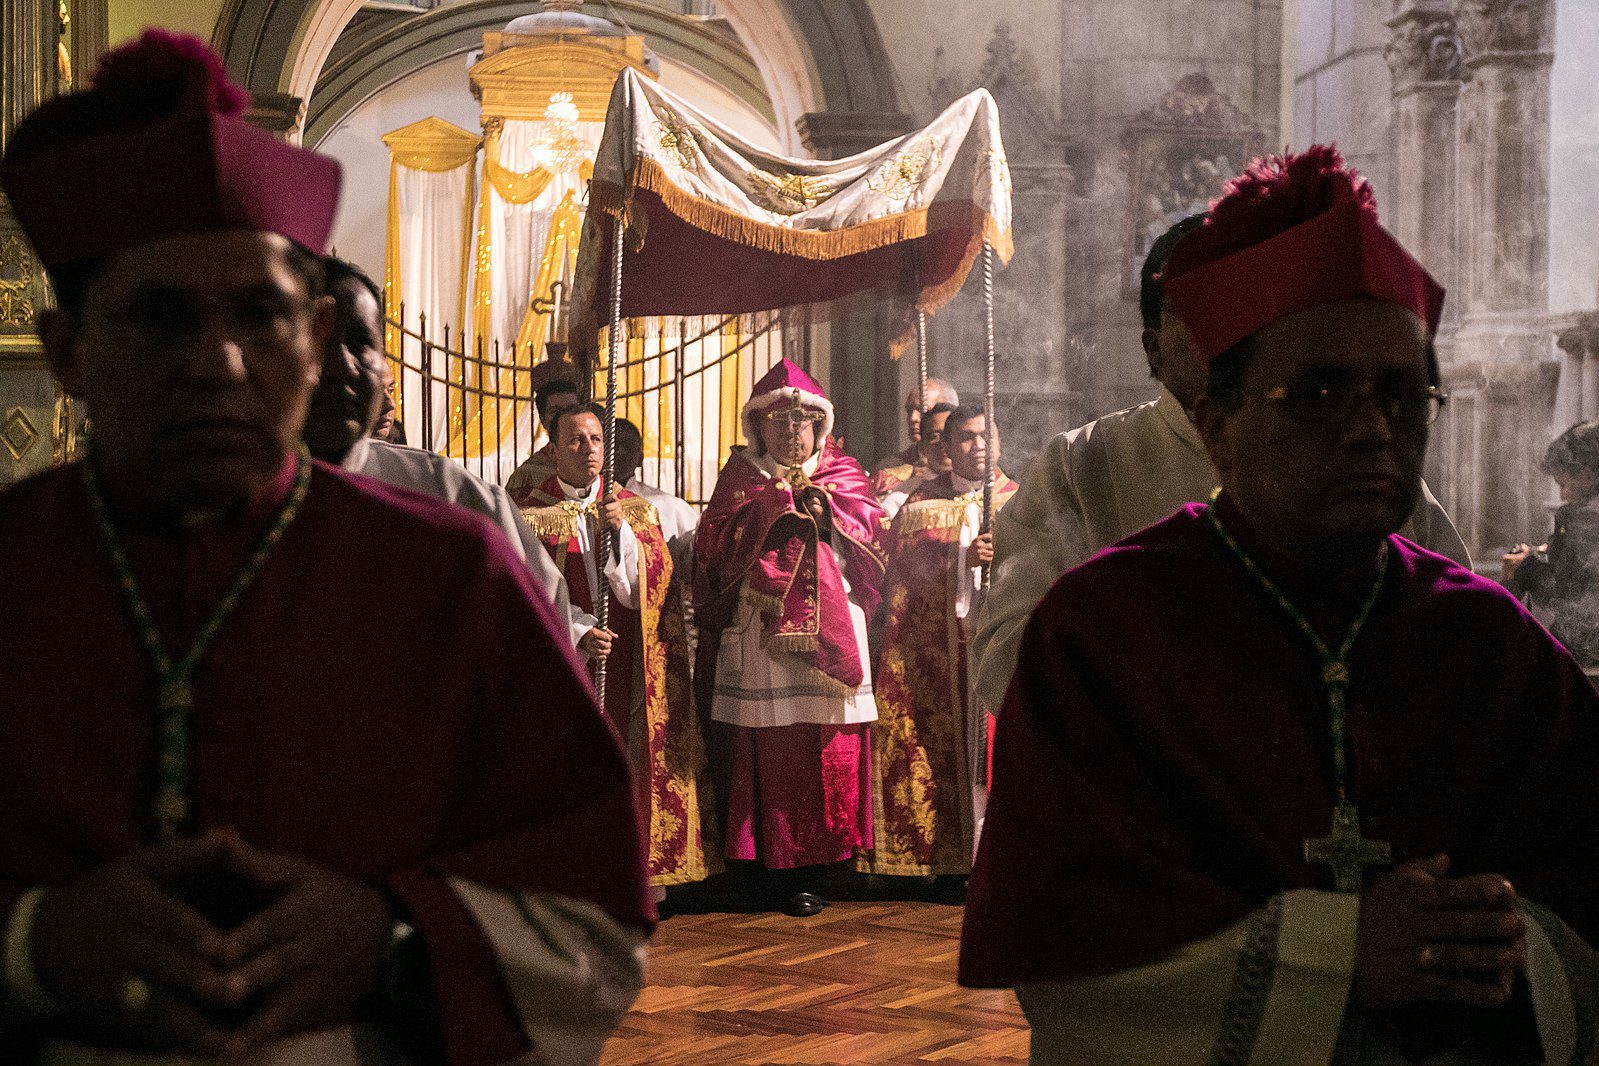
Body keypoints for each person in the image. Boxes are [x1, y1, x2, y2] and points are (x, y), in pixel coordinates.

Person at [0, 32, 650, 1064]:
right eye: (160, 320)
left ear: (311, 340)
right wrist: (34, 943)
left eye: (259, 316)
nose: (217, 364)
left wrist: (394, 938)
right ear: (69, 353)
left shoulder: (452, 577)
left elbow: (596, 926)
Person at [960, 146, 1599, 1063]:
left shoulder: (1487, 638)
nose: (1371, 429)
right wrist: (1336, 956)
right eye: (1319, 391)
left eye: (1400, 394)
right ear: (1217, 426)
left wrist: (1498, 946)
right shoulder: (1101, 635)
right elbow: (1072, 947)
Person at [970, 212, 1473, 714]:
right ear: (1154, 348)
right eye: (1197, 304)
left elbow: (1455, 625)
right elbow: (1005, 659)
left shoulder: (1350, 457)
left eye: (1252, 299)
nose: (1232, 324)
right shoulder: (1082, 466)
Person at [301, 255, 585, 649]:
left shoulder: (456, 497)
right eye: (320, 343)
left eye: (361, 343)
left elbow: (542, 635)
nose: (342, 367)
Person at [693, 359, 885, 917]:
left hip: (834, 629)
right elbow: (712, 551)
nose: (793, 431)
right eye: (780, 422)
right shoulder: (742, 480)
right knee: (770, 747)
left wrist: (829, 521)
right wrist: (772, 510)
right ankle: (765, 865)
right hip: (763, 640)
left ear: (819, 428)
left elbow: (877, 541)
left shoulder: (843, 473)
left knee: (826, 745)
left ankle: (820, 865)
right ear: (759, 429)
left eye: (803, 422)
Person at [519, 403, 713, 890]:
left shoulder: (632, 508)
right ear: (554, 447)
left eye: (594, 440)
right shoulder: (527, 509)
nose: (588, 450)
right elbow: (523, 583)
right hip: (561, 657)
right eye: (575, 441)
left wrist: (619, 532)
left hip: (626, 660)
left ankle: (630, 872)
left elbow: (650, 585)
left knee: (623, 756)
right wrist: (580, 629)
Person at [861, 404, 1017, 885]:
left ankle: (995, 861)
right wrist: (963, 558)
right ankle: (947, 862)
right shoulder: (919, 505)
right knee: (936, 754)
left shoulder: (1019, 500)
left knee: (996, 757)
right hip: (934, 658)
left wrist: (1000, 555)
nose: (978, 446)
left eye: (985, 435)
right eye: (966, 438)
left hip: (995, 648)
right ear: (946, 449)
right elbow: (899, 581)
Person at [1504, 420, 1599, 667]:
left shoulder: (1583, 517)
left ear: (1588, 476)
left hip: (1586, 648)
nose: (1562, 495)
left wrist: (1524, 567)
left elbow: (1560, 590)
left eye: (1563, 485)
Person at [614, 417, 698, 571]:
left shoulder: (671, 507)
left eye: (627, 445)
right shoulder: (583, 503)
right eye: (612, 444)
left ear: (640, 458)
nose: (619, 451)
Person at [872, 378, 960, 494]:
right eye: (909, 410)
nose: (913, 418)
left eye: (922, 410)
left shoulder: (969, 464)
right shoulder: (888, 470)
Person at [505, 376, 580, 505]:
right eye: (555, 411)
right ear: (543, 419)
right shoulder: (526, 477)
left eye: (571, 409)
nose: (564, 417)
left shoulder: (595, 462)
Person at [878, 401, 957, 521]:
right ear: (922, 445)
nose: (943, 444)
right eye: (935, 437)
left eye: (949, 435)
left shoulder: (985, 488)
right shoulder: (901, 497)